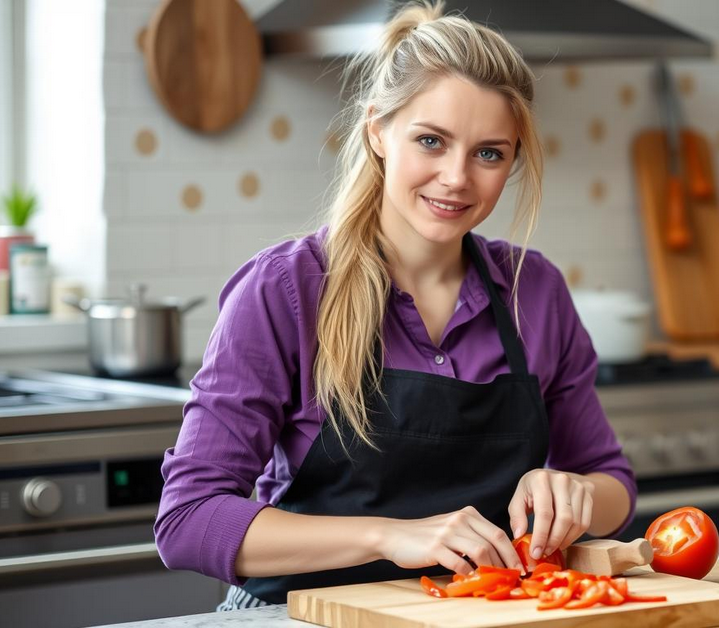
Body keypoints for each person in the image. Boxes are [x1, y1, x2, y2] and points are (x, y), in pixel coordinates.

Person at [153, 0, 636, 610]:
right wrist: (394, 536)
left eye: (489, 153)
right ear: (377, 130)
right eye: (431, 141)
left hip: (476, 615)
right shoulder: (285, 290)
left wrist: (575, 493)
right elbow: (189, 522)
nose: (457, 177)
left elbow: (614, 485)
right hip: (299, 617)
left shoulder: (533, 291)